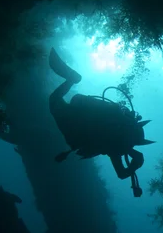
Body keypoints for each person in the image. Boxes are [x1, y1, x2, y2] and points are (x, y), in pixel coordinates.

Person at [48, 48, 154, 195]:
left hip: (80, 119)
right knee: (54, 101)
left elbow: (127, 167)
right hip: (77, 129)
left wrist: (135, 164)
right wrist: (134, 167)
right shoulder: (119, 147)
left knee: (54, 101)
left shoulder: (119, 142)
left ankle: (72, 79)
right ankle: (72, 79)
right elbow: (123, 173)